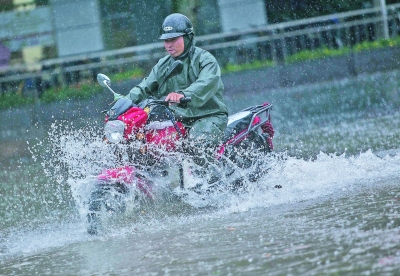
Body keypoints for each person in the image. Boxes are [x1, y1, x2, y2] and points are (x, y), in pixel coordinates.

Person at [124, 13, 228, 168]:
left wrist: (183, 95)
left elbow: (206, 82)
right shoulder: (163, 64)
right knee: (150, 146)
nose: (169, 44)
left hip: (209, 117)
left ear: (188, 37)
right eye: (166, 40)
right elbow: (145, 87)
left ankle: (208, 186)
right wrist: (123, 102)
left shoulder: (205, 59)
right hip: (178, 120)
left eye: (173, 39)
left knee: (196, 144)